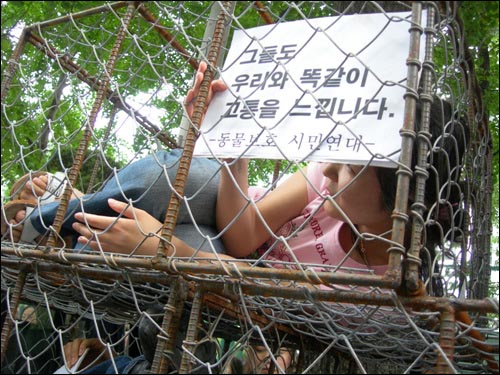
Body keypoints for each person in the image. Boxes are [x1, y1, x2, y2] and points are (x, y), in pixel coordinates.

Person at [1, 61, 469, 372]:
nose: (327, 168)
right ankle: (40, 225)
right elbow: (243, 233)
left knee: (176, 278)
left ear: (403, 199)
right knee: (163, 177)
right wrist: (229, 142)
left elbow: (251, 291)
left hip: (233, 284)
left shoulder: (375, 296)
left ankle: (75, 234)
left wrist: (161, 249)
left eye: (349, 166)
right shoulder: (324, 180)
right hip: (225, 215)